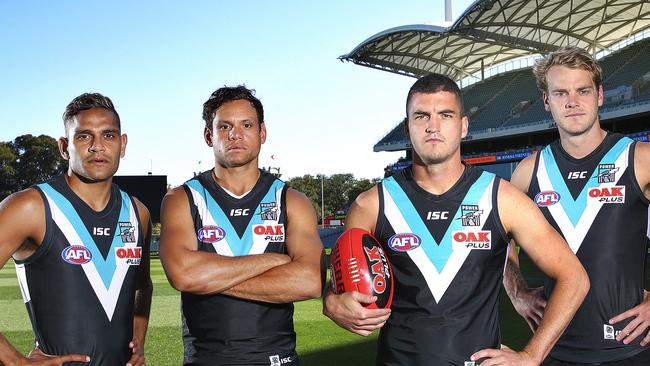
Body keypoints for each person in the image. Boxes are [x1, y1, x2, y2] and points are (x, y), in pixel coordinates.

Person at [322, 73, 590, 366]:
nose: (433, 127)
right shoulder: (371, 204)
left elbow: (574, 278)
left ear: (463, 126)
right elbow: (340, 281)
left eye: (445, 115)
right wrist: (331, 302)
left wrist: (531, 355)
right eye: (421, 116)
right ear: (408, 127)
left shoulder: (501, 198)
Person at [504, 46, 650, 365]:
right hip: (554, 349)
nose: (572, 101)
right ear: (547, 101)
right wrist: (517, 292)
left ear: (599, 95)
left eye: (582, 90)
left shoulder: (639, 159)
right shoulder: (530, 171)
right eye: (560, 93)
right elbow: (501, 244)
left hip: (630, 347)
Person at [159, 85, 323, 365]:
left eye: (246, 125)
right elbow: (184, 275)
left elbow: (311, 280)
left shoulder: (292, 200)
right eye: (224, 127)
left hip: (277, 359)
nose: (235, 134)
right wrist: (274, 261)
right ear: (209, 136)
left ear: (262, 133)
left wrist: (208, 276)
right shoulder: (182, 199)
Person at [0, 93, 153, 365]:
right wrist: (14, 361)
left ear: (123, 143)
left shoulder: (137, 212)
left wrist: (138, 337)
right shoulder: (30, 207)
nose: (98, 146)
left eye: (109, 135)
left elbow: (142, 286)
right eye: (84, 136)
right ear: (64, 147)